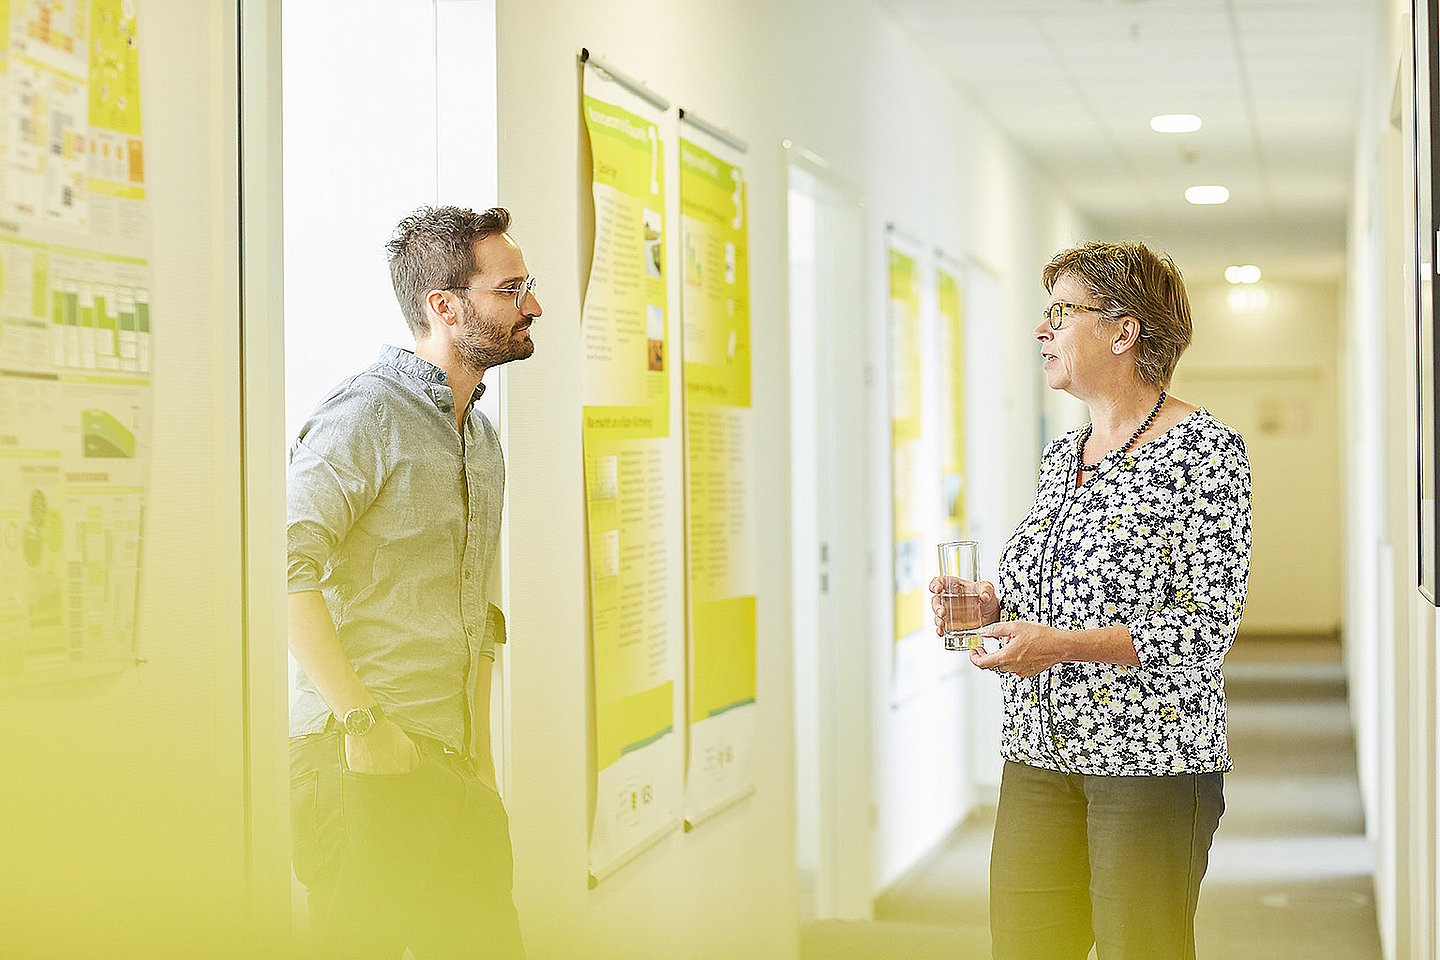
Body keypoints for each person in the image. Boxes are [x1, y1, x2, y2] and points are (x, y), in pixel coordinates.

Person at [931, 240, 1251, 960]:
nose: (1041, 331)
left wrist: (1062, 646)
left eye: (1060, 313)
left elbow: (1207, 625)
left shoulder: (1206, 452)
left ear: (1122, 329)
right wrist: (988, 608)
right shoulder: (1062, 453)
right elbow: (1059, 591)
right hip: (1038, 754)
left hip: (1149, 765)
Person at [286, 205, 540, 960]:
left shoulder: (481, 437)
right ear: (443, 305)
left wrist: (483, 766)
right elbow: (281, 565)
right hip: (362, 762)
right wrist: (367, 729)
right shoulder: (365, 414)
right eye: (511, 288)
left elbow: (477, 610)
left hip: (454, 770)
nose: (532, 305)